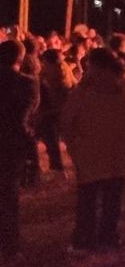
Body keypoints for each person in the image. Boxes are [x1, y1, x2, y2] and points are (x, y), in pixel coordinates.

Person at [59, 48, 125, 252]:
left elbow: (66, 120)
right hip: (118, 151)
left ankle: (84, 238)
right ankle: (108, 236)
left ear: (95, 65)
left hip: (90, 151)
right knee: (112, 198)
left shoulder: (84, 90)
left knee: (88, 198)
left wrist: (73, 144)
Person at [0, 40, 38, 258]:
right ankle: (8, 247)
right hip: (11, 143)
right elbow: (26, 117)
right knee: (8, 195)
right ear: (20, 59)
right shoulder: (26, 83)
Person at [36, 48, 76, 176]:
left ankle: (57, 168)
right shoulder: (64, 67)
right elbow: (74, 84)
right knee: (63, 139)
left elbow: (40, 82)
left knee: (50, 138)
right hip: (62, 108)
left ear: (47, 61)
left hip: (53, 110)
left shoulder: (52, 71)